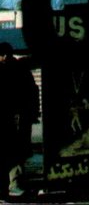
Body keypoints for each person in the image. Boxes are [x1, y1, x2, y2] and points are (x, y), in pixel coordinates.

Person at [0, 43, 39, 198]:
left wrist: (32, 112)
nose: (5, 58)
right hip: (15, 118)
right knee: (15, 153)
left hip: (15, 118)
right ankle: (13, 186)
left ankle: (12, 186)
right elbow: (33, 90)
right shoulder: (19, 68)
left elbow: (32, 91)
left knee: (14, 153)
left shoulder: (18, 68)